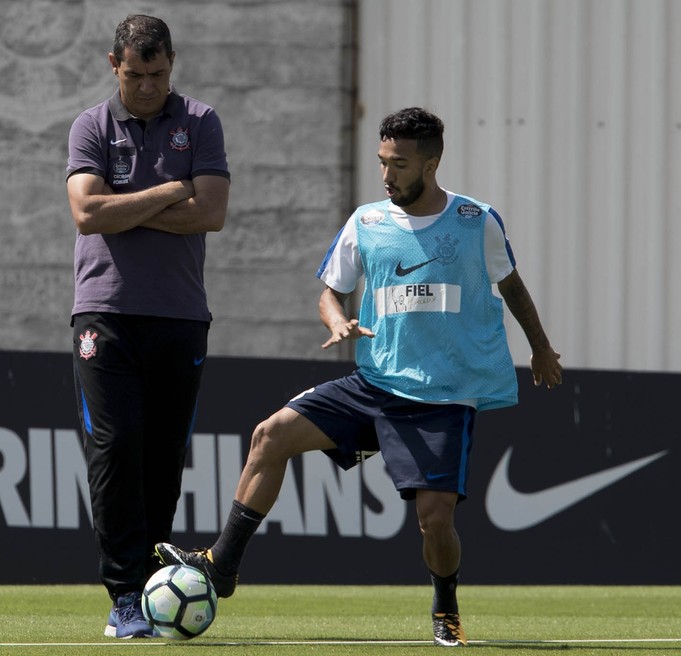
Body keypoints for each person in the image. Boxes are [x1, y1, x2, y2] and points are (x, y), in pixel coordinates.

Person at [156, 107, 561, 647]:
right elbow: (330, 290)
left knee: (434, 521)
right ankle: (222, 564)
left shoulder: (475, 221)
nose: (388, 174)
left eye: (400, 164)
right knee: (269, 436)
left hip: (443, 395)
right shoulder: (366, 222)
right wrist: (337, 319)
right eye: (382, 162)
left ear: (432, 163)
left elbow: (511, 286)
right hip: (373, 384)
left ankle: (445, 605)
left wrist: (541, 349)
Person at [65, 14, 230, 639]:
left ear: (173, 63)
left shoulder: (201, 121)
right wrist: (169, 192)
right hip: (104, 312)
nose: (145, 87)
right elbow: (86, 212)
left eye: (157, 75)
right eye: (134, 75)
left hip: (181, 316)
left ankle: (157, 583)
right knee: (114, 448)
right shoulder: (91, 125)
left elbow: (211, 213)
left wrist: (125, 205)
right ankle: (124, 598)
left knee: (163, 458)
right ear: (115, 65)